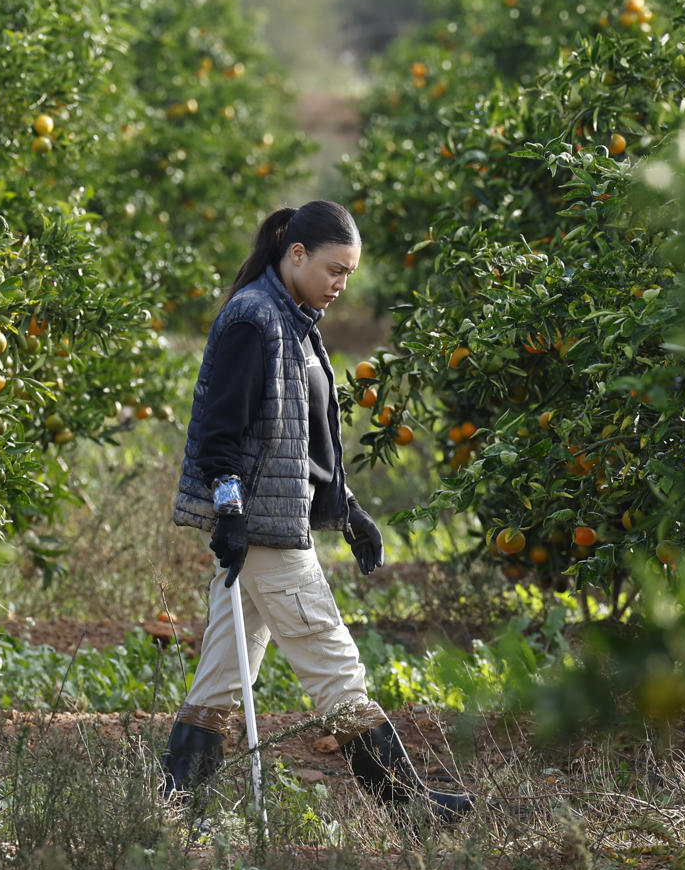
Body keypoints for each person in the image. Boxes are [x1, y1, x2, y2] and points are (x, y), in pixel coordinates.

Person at [162, 200, 472, 821]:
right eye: (335, 270)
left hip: (275, 521)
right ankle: (407, 806)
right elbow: (220, 433)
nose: (341, 286)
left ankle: (168, 809)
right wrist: (229, 513)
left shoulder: (295, 320)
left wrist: (348, 511)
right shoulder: (255, 318)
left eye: (349, 275)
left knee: (221, 678)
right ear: (297, 254)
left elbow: (301, 442)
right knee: (336, 666)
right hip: (266, 533)